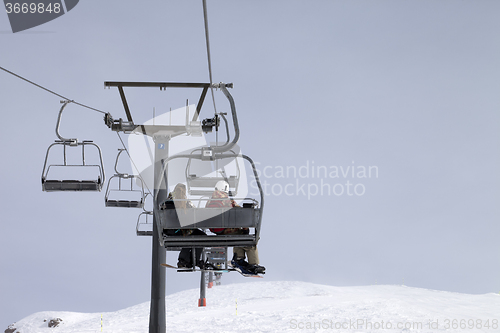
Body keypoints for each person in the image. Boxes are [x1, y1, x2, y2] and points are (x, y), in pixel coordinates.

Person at [205, 180, 265, 274]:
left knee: (240, 235)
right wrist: (245, 228)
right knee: (248, 240)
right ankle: (252, 263)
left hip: (216, 229)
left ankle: (238, 259)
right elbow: (240, 213)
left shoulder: (209, 201)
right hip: (226, 229)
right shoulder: (228, 201)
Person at [161, 183, 206, 269]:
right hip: (175, 230)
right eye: (179, 191)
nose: (181, 193)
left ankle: (191, 261)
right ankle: (184, 260)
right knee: (190, 236)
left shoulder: (182, 202)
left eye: (182, 192)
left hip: (180, 229)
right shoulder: (171, 203)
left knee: (201, 236)